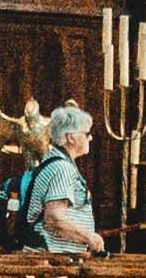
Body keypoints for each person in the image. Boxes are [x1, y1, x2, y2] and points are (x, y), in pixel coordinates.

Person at [7, 102, 103, 255]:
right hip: (50, 256)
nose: (90, 138)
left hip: (51, 255)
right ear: (71, 138)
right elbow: (54, 218)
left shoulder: (55, 162)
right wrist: (88, 237)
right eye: (86, 134)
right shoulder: (62, 168)